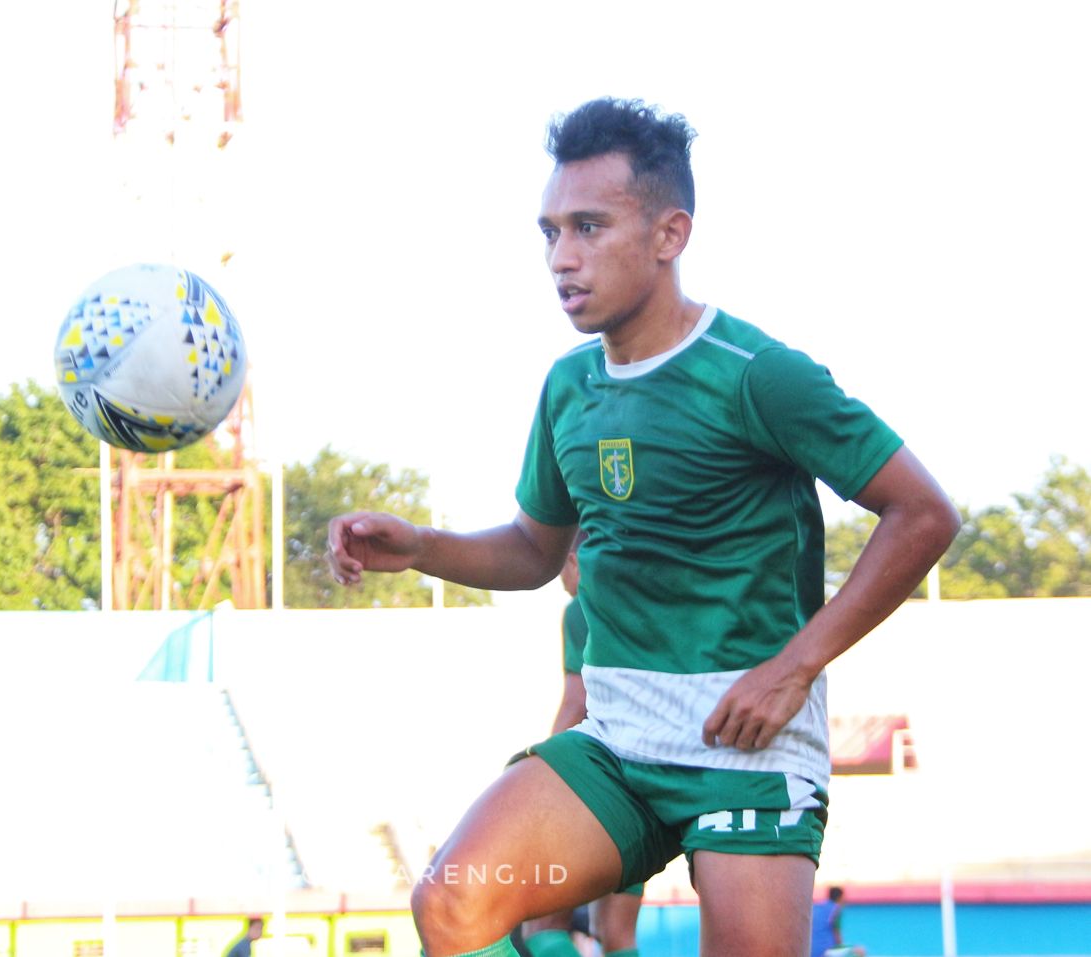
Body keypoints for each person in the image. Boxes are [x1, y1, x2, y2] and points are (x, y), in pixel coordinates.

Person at [327, 97, 960, 957]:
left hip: (747, 746)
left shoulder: (758, 375)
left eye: (588, 226)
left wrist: (796, 665)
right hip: (619, 741)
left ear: (670, 235)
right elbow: (533, 550)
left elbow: (923, 513)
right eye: (548, 232)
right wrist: (424, 548)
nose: (561, 257)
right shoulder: (567, 387)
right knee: (452, 903)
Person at [523, 540, 642, 957]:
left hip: (603, 780)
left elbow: (578, 701)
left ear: (573, 560)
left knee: (543, 925)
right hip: (653, 782)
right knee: (618, 934)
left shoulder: (582, 608)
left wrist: (542, 766)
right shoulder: (645, 600)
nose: (561, 583)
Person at [811, 886, 866, 957]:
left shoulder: (817, 907)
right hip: (825, 951)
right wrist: (842, 948)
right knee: (860, 950)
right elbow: (837, 933)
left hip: (810, 948)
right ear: (840, 897)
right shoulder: (836, 908)